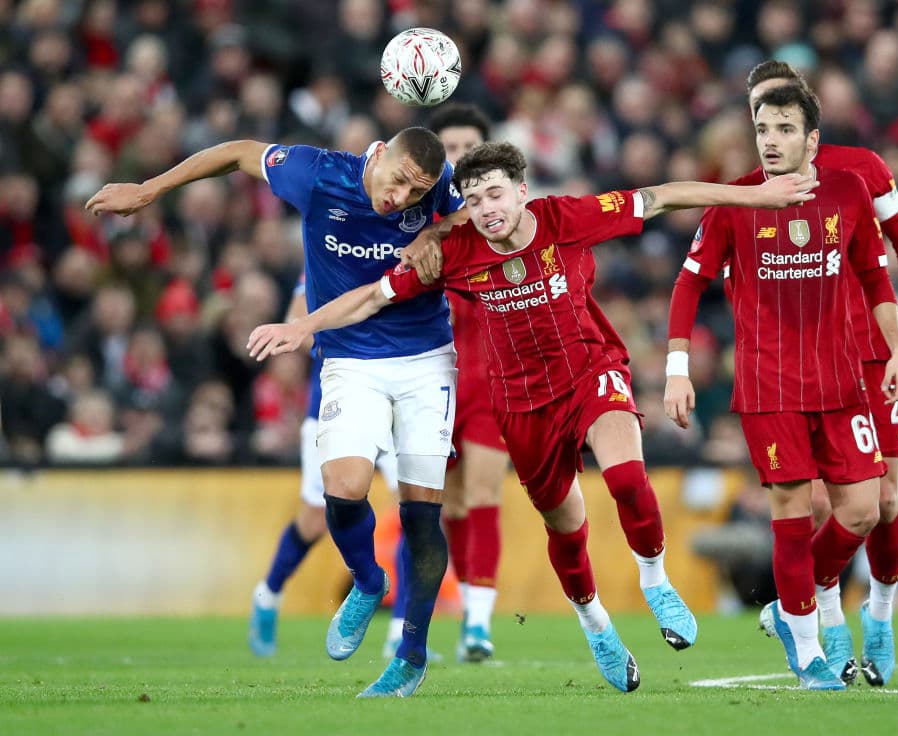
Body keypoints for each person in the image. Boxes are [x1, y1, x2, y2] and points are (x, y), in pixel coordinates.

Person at [246, 141, 817, 692]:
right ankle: (596, 626)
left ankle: (656, 580)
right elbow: (373, 296)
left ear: (521, 191)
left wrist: (759, 197)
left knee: (625, 477)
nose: (487, 209)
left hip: (589, 373)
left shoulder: (566, 217)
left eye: (496, 195)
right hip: (520, 406)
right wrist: (304, 326)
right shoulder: (455, 250)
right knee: (564, 527)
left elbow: (663, 195)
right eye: (473, 201)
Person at [86, 126, 466, 698]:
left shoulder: (437, 193)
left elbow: (478, 216)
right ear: (379, 154)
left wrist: (437, 226)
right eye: (398, 184)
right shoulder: (318, 174)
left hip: (425, 358)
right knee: (340, 493)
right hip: (349, 357)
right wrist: (149, 189)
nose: (401, 201)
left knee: (420, 516)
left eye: (417, 194)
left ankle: (409, 656)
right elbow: (238, 153)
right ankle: (366, 580)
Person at [663, 83, 898, 690]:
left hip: (843, 382)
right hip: (769, 387)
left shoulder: (849, 192)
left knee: (864, 508)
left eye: (784, 130)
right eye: (762, 131)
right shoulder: (736, 200)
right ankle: (807, 650)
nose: (770, 142)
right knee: (792, 514)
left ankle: (792, 601)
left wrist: (897, 349)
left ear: (812, 139)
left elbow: (876, 280)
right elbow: (689, 282)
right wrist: (676, 369)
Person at [745, 60, 898, 687]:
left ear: (807, 118)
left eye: (781, 118)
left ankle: (877, 617)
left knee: (882, 502)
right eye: (759, 118)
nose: (769, 134)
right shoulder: (753, 188)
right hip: (807, 363)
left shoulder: (863, 168)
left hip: (872, 352)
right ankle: (820, 619)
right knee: (820, 499)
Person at [247, 275, 399, 658]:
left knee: (417, 509)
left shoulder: (408, 242)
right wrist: (349, 339)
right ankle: (269, 593)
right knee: (316, 517)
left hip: (402, 397)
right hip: (334, 403)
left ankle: (402, 630)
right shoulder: (329, 246)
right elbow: (296, 319)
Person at [416, 102, 508, 663]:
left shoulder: (505, 222)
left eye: (467, 148)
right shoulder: (417, 227)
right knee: (443, 506)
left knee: (483, 495)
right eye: (447, 148)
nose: (457, 157)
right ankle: (426, 614)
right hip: (431, 382)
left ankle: (478, 622)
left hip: (490, 379)